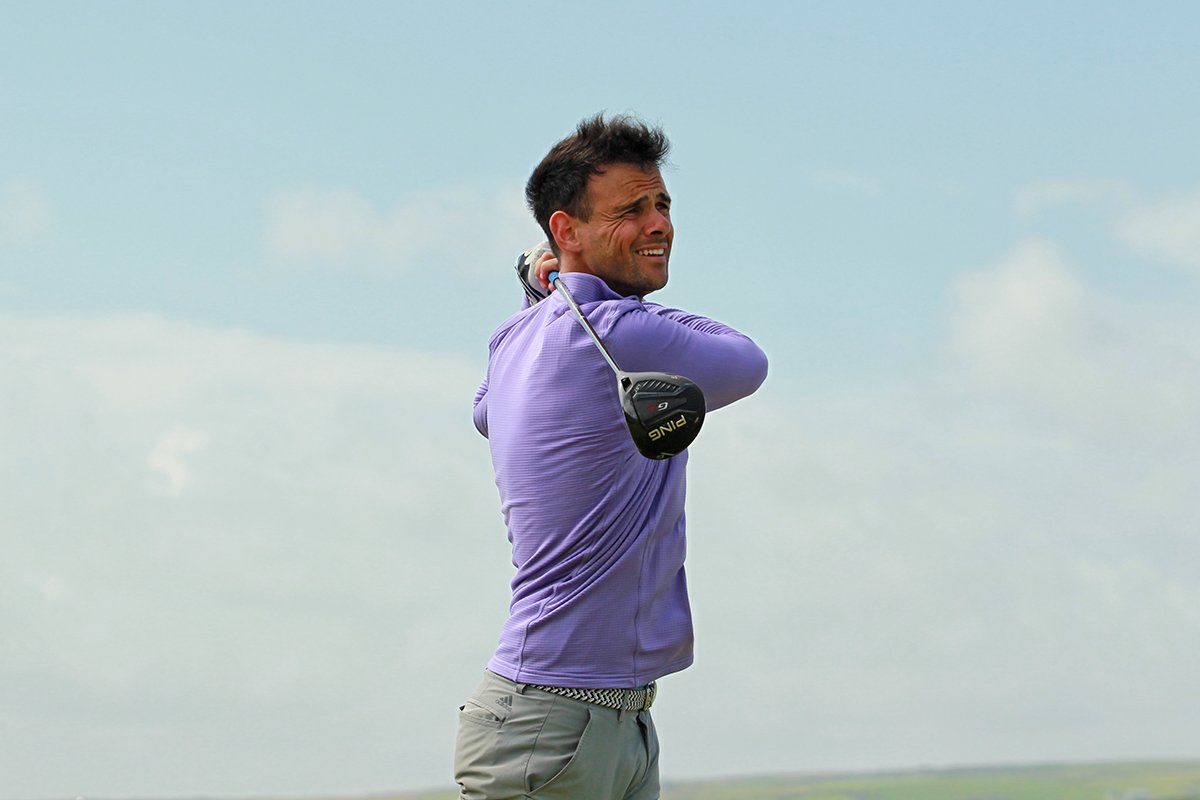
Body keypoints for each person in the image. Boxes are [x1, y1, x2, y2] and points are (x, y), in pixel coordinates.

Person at [456, 114, 768, 800]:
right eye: (632, 210)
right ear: (565, 232)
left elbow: (487, 412)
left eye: (662, 205)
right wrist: (589, 300)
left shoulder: (519, 337)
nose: (658, 224)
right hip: (552, 721)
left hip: (604, 720)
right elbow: (746, 361)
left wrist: (542, 296)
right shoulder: (617, 329)